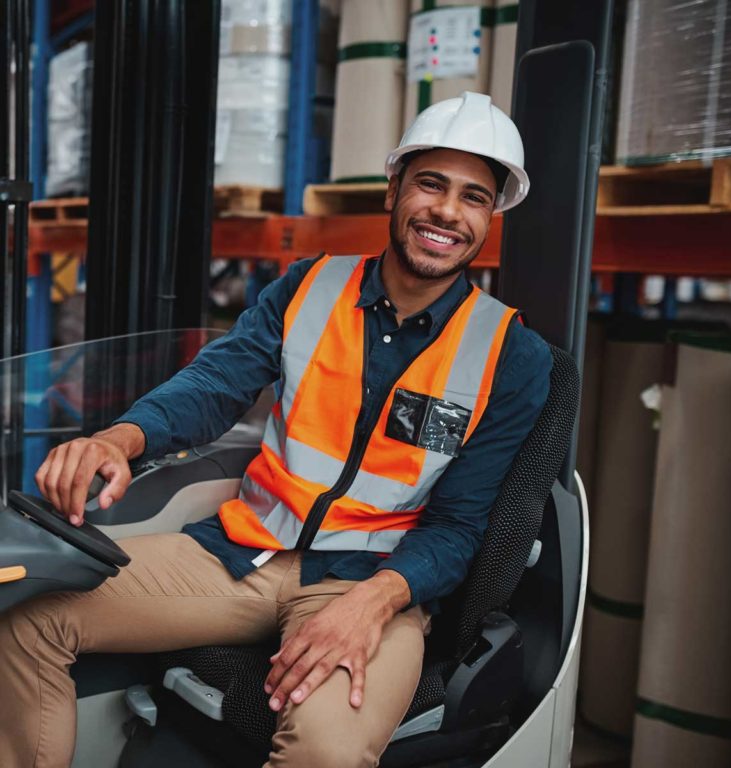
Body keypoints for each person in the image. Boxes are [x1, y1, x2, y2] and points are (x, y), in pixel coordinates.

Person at [0, 92, 552, 768]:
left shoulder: (512, 355)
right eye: (431, 184)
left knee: (324, 748)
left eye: (473, 197)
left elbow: (462, 525)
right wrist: (120, 439)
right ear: (394, 189)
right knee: (25, 617)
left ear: (490, 216)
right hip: (240, 555)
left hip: (370, 582)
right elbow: (214, 386)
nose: (446, 211)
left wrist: (374, 603)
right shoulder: (307, 287)